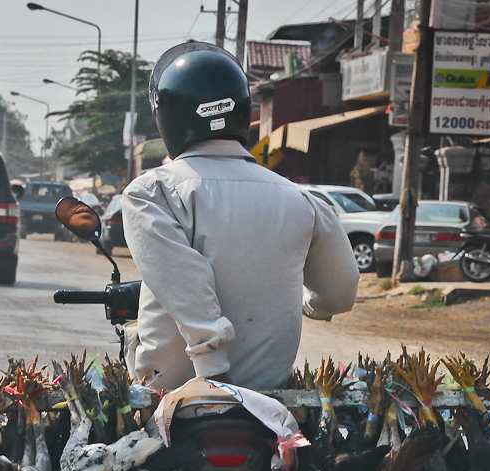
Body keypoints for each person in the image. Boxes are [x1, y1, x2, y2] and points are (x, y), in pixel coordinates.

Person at [121, 43, 360, 392]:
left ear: (168, 116)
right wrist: (307, 304)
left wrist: (213, 366)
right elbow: (341, 292)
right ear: (243, 112)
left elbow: (181, 279)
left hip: (172, 392)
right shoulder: (302, 200)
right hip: (268, 396)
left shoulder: (153, 192)